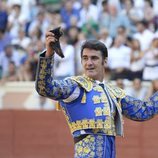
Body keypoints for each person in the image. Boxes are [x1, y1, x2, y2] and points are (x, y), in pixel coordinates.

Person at [35, 30, 158, 158]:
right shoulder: (75, 86)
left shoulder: (113, 93)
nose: (89, 63)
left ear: (105, 61)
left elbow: (145, 111)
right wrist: (49, 54)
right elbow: (45, 88)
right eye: (85, 58)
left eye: (94, 58)